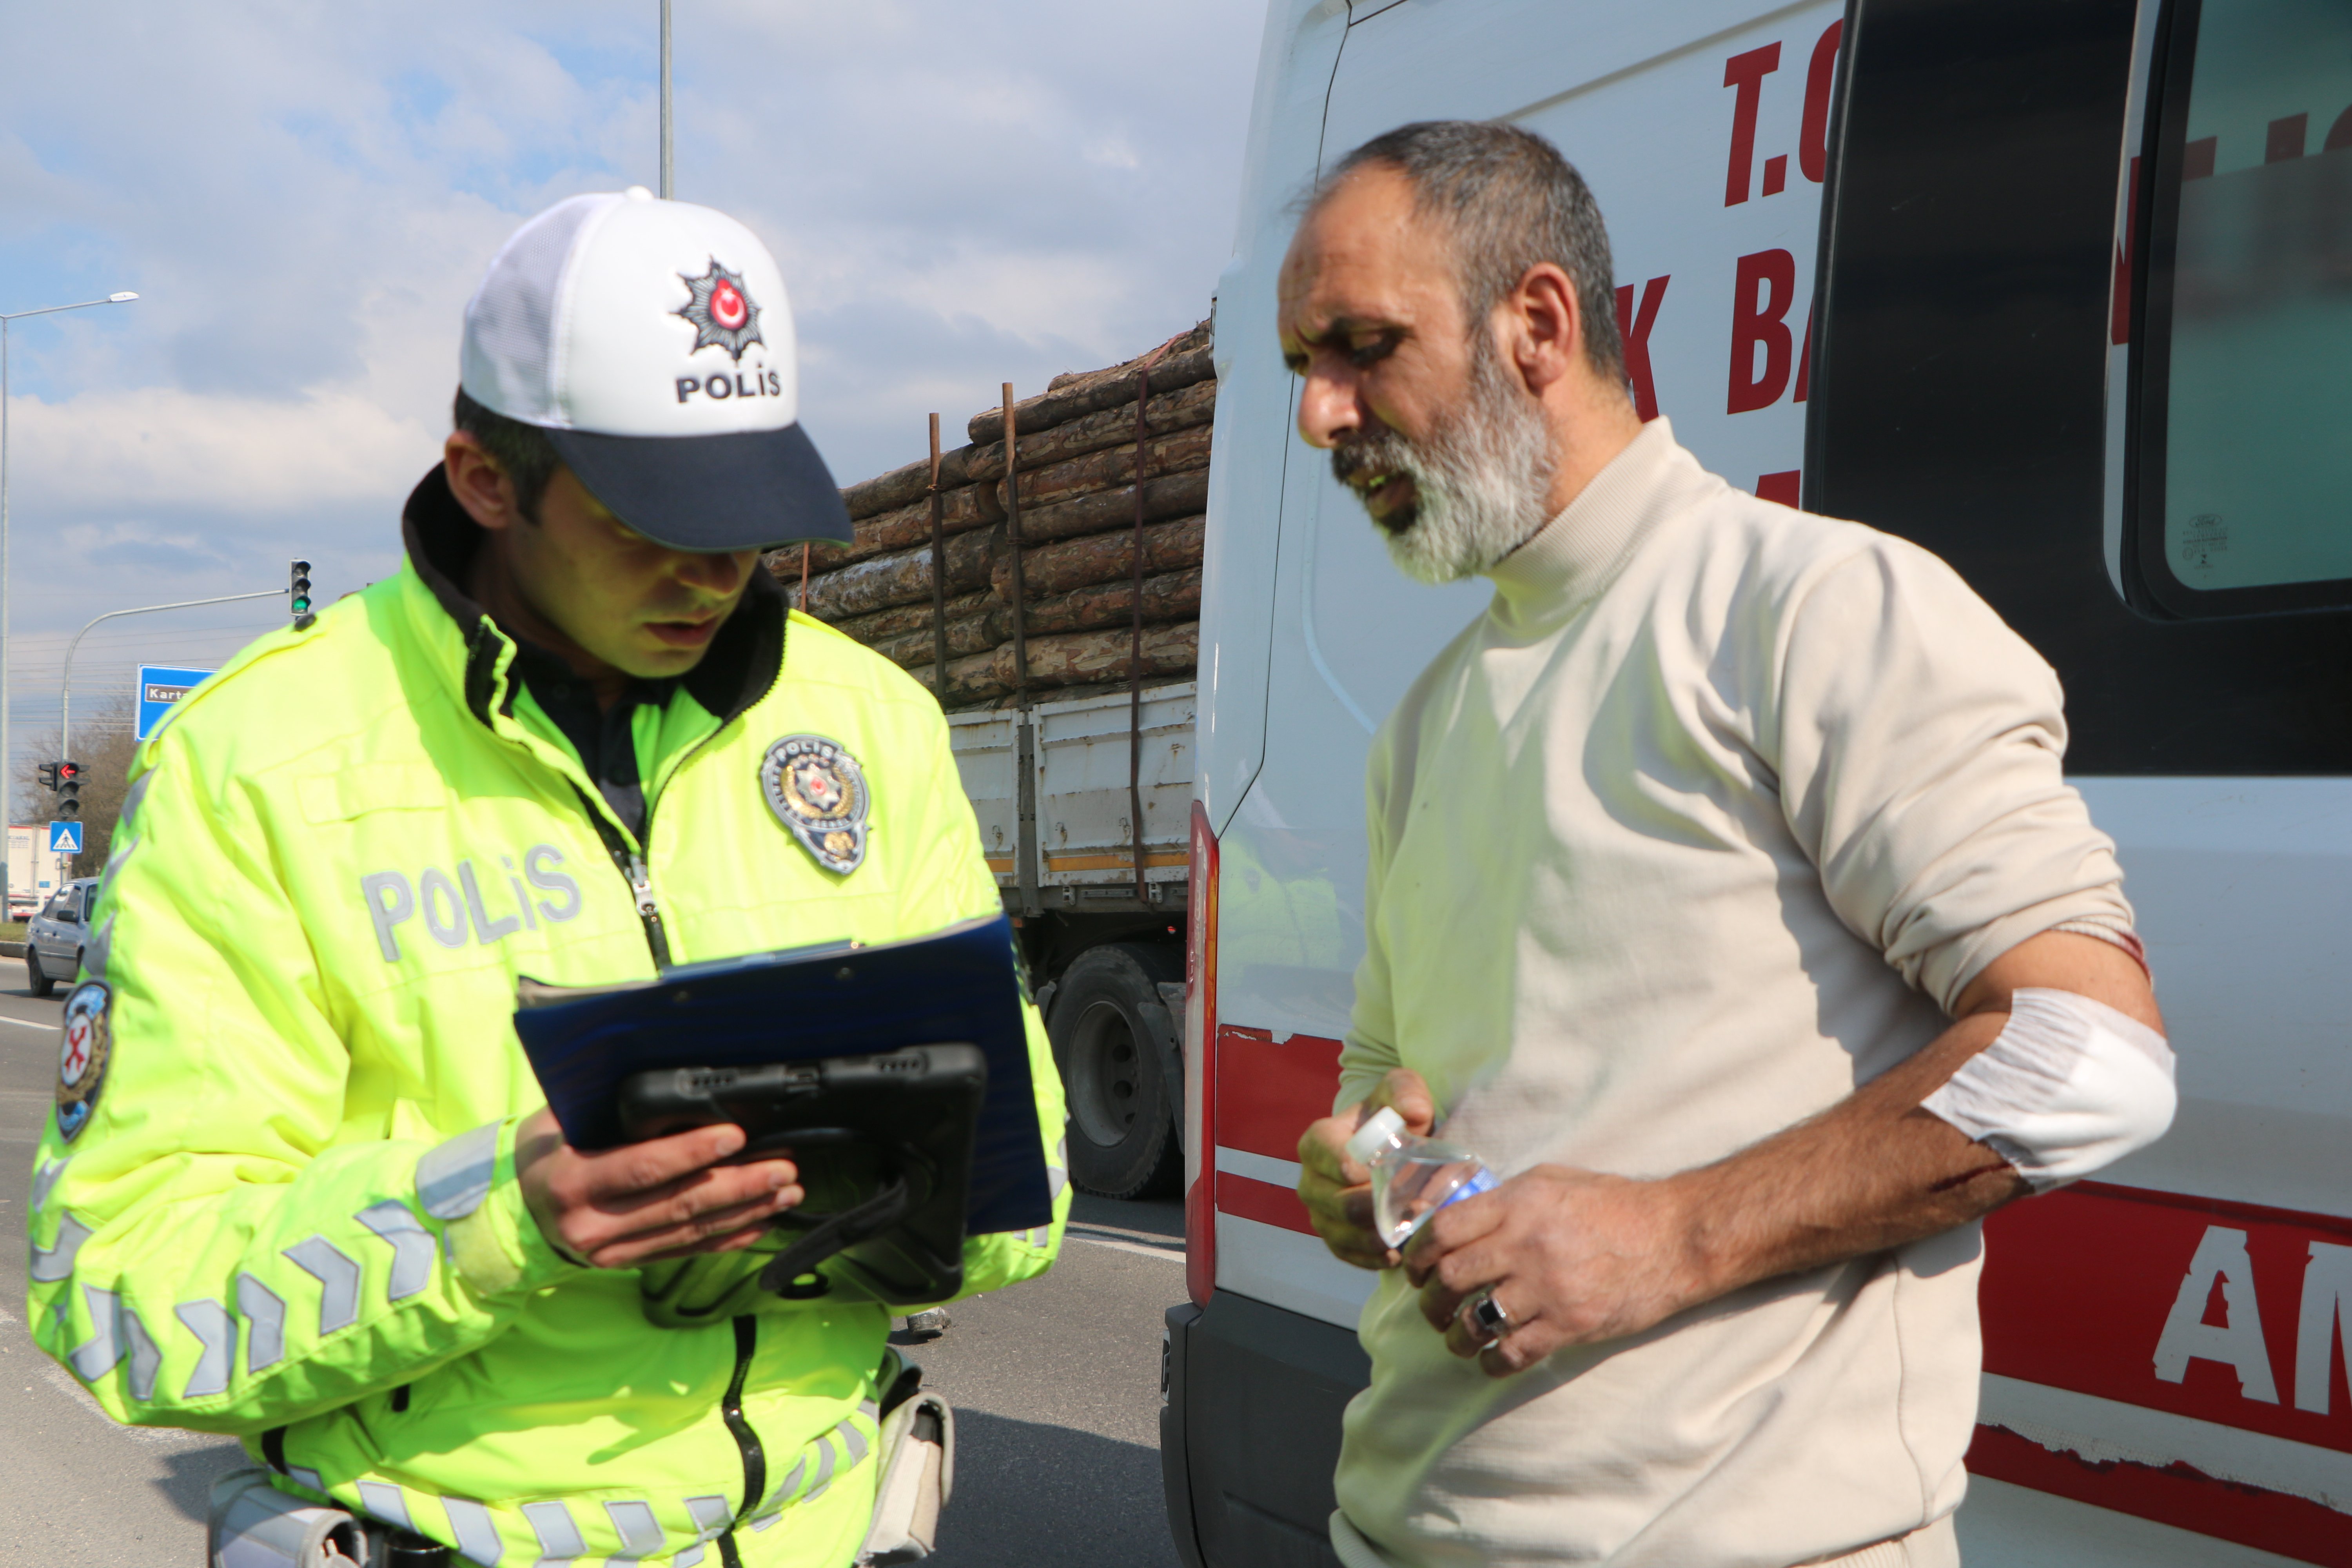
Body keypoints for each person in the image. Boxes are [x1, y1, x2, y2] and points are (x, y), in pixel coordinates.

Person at [26, 188, 1067, 1568]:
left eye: (752, 516)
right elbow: (120, 1297)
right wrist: (497, 1220)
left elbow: (1032, 1190)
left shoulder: (870, 725)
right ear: (484, 480)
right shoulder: (256, 765)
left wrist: (891, 1185)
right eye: (653, 521)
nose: (717, 571)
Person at [1284, 122, 2175, 1568]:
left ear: (1537, 325)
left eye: (1363, 348)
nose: (1320, 416)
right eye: (1303, 368)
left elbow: (2091, 1053)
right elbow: (1390, 1083)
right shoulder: (1428, 720)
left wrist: (1669, 1238)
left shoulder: (1816, 609)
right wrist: (1362, 1167)